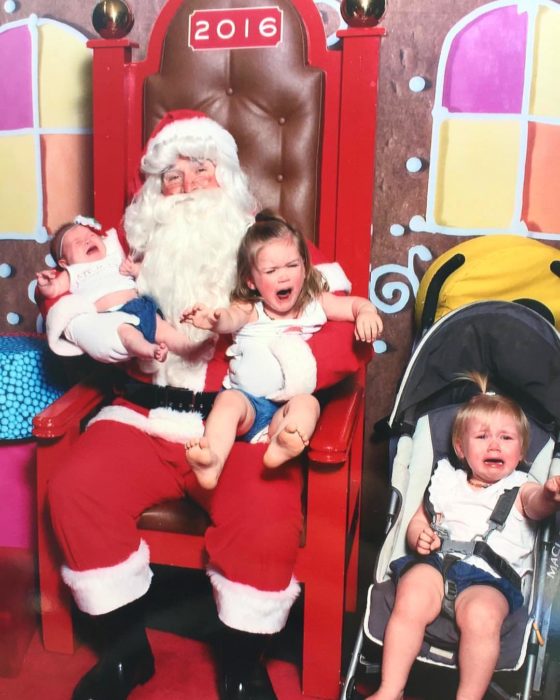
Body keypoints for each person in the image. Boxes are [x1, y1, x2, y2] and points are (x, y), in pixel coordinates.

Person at [38, 110, 369, 700]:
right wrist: (57, 297)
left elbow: (341, 329)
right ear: (153, 192)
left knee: (264, 521)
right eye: (171, 177)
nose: (187, 188)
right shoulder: (123, 248)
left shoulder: (273, 244)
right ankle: (125, 653)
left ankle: (242, 665)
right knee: (75, 490)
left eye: (201, 171)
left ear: (230, 179)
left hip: (240, 422)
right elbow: (76, 304)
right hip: (141, 416)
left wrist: (278, 375)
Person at [367, 373, 560, 700]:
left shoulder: (521, 486)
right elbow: (419, 519)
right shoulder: (445, 478)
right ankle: (391, 688)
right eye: (482, 436)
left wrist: (550, 494)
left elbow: (536, 506)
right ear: (460, 447)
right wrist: (420, 537)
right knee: (411, 593)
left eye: (506, 438)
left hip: (491, 579)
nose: (494, 444)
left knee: (482, 616)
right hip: (437, 565)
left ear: (522, 450)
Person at [182, 210, 383, 488]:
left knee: (308, 405)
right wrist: (213, 320)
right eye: (271, 271)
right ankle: (212, 461)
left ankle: (282, 445)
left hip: (285, 410)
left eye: (292, 265)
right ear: (251, 281)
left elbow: (353, 305)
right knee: (227, 403)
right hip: (247, 404)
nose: (283, 276)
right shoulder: (251, 309)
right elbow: (230, 319)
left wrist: (366, 314)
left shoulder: (315, 304)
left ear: (305, 267)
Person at [37, 217, 199, 363]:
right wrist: (46, 285)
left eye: (91, 236)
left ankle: (191, 348)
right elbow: (54, 290)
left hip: (140, 305)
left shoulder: (113, 257)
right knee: (127, 335)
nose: (87, 241)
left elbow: (145, 269)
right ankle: (150, 350)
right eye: (78, 243)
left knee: (163, 329)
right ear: (64, 262)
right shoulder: (72, 272)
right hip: (112, 315)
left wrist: (133, 268)